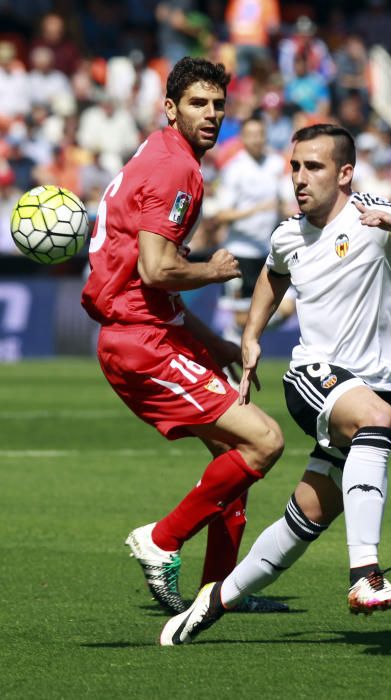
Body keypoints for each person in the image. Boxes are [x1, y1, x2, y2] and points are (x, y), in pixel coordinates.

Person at [159, 122, 391, 645]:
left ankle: (216, 598)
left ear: (345, 173)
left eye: (314, 167)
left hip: (382, 384)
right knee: (376, 420)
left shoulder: (375, 213)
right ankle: (364, 575)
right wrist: (252, 335)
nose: (300, 179)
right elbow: (273, 274)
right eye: (295, 167)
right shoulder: (288, 233)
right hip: (315, 378)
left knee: (305, 519)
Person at [81, 56, 285, 617]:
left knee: (232, 456)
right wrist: (216, 271)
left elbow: (154, 282)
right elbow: (156, 270)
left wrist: (217, 345)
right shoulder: (178, 170)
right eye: (198, 103)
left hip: (152, 328)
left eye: (219, 104)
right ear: (170, 108)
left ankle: (217, 593)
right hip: (140, 341)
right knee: (264, 442)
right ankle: (163, 539)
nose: (212, 114)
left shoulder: (159, 153)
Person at [214, 116, 290, 343]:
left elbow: (285, 201)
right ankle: (235, 346)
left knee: (286, 308)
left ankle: (243, 335)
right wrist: (256, 210)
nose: (257, 139)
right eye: (251, 135)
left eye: (260, 134)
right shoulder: (235, 169)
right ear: (243, 138)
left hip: (268, 251)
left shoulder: (276, 164)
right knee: (240, 317)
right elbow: (222, 214)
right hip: (240, 252)